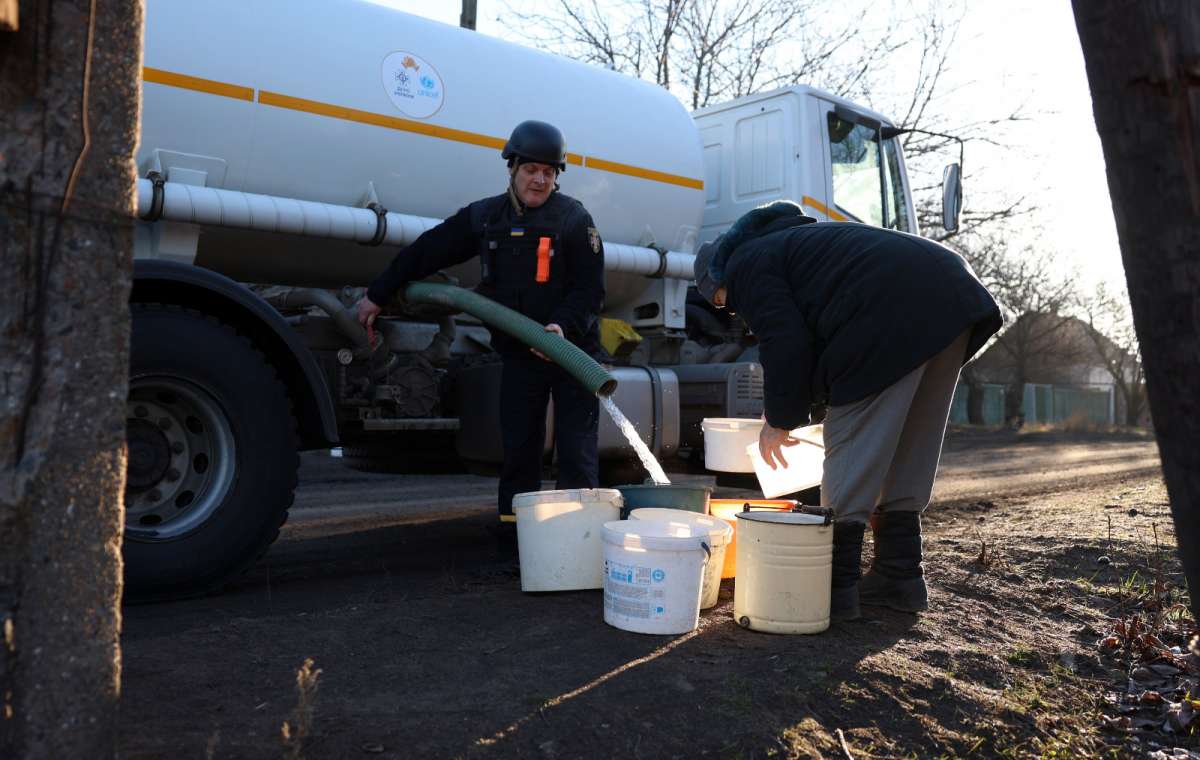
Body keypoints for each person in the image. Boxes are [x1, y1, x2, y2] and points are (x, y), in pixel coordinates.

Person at [693, 201, 1002, 620]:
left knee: (852, 442)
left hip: (893, 307)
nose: (732, 310)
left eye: (723, 302)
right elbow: (815, 339)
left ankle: (832, 590)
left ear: (718, 279)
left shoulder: (745, 260)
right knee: (908, 442)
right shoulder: (798, 245)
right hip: (954, 295)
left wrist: (779, 422)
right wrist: (799, 407)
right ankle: (900, 577)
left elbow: (785, 342)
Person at [357, 120, 606, 523]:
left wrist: (561, 327)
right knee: (520, 451)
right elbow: (428, 250)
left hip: (571, 354)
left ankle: (576, 540)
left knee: (576, 452)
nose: (539, 180)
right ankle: (517, 542)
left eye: (548, 172)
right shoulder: (487, 217)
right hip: (520, 356)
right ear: (513, 168)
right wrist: (379, 293)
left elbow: (590, 291)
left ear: (557, 176)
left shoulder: (574, 220)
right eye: (531, 170)